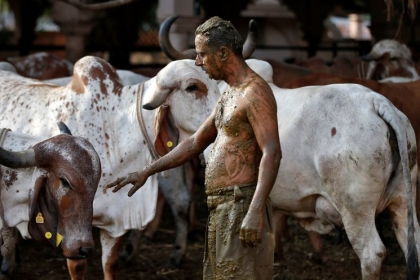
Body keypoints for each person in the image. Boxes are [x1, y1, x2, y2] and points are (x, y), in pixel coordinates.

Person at [107, 16, 281, 280]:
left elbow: (272, 152)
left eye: (202, 55)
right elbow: (195, 141)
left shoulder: (255, 93)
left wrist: (255, 211)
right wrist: (147, 170)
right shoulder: (229, 92)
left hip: (241, 205)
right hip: (221, 208)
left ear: (222, 53)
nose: (198, 62)